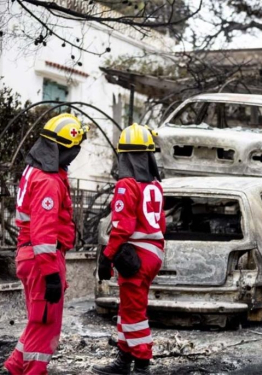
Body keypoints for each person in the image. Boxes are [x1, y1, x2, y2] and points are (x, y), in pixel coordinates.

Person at [4, 114, 88, 375]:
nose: (73, 156)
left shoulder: (35, 171)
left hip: (32, 256)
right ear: (60, 149)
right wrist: (52, 274)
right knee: (45, 324)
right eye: (72, 150)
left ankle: (15, 367)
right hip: (43, 259)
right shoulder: (48, 181)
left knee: (37, 321)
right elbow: (43, 233)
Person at [92, 124, 165, 375]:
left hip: (136, 255)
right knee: (127, 309)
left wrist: (107, 256)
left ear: (124, 155)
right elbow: (161, 224)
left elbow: (122, 228)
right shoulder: (155, 185)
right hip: (152, 253)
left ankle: (141, 364)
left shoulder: (126, 184)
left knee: (134, 313)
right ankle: (124, 359)